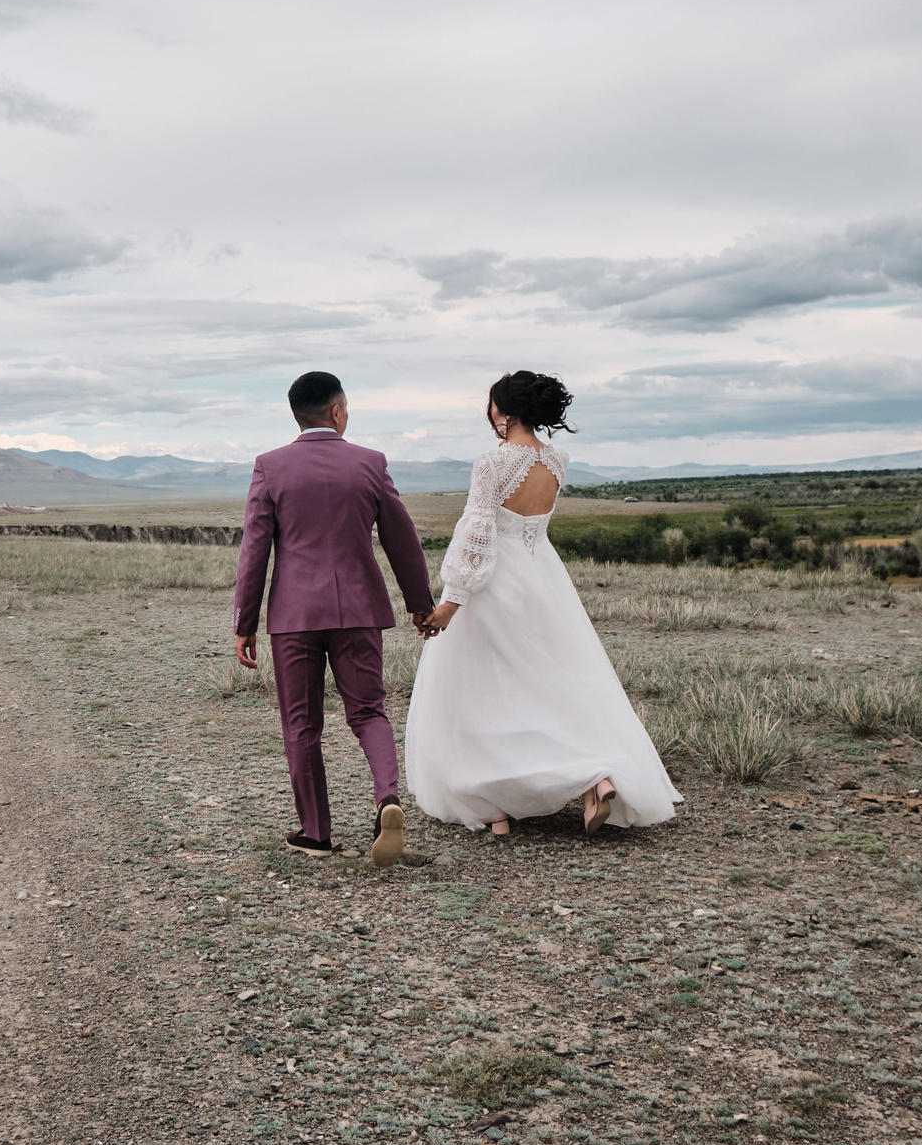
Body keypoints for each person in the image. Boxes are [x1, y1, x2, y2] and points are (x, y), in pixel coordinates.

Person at [404, 370, 682, 837]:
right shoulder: (557, 460)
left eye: (491, 404)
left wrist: (452, 600)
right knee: (553, 682)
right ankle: (598, 776)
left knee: (487, 688)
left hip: (496, 582)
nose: (488, 412)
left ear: (504, 411)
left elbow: (477, 531)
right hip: (543, 578)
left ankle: (495, 806)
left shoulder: (491, 462)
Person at [233, 371, 436, 867]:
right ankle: (387, 799)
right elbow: (401, 538)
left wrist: (245, 622)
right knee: (368, 711)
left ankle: (316, 833)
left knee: (301, 724)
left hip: (294, 617)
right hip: (359, 611)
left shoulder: (270, 466)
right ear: (338, 411)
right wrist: (420, 602)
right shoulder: (370, 463)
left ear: (297, 414)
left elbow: (254, 549)